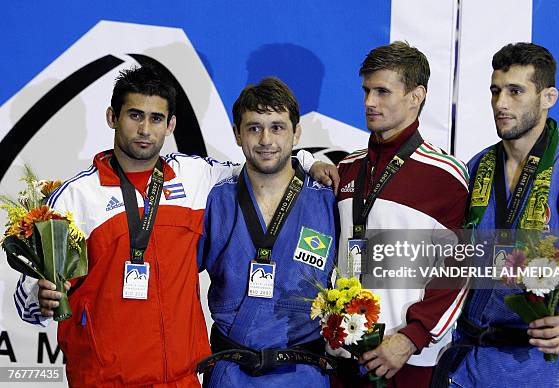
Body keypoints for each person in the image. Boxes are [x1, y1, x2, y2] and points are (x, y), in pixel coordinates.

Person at [13, 67, 337, 387]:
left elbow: (262, 162)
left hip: (180, 379)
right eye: (135, 115)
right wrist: (38, 296)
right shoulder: (75, 197)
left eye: (156, 119)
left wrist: (309, 162)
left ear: (170, 125)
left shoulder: (195, 176)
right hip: (104, 378)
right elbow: (31, 295)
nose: (144, 129)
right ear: (112, 117)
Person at [446, 43, 559, 387]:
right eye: (495, 91)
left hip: (537, 364)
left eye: (515, 91)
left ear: (548, 97)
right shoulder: (477, 167)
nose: (501, 104)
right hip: (469, 362)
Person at [334, 41, 469, 387]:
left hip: (408, 361)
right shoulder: (346, 170)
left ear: (416, 96)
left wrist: (412, 337)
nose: (368, 102)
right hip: (340, 358)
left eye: (382, 91)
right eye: (366, 90)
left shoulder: (446, 175)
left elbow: (462, 268)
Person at [196, 77, 337, 387]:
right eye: (254, 127)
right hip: (231, 372)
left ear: (296, 133)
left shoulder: (327, 200)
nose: (266, 140)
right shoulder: (214, 200)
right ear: (236, 134)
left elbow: (360, 281)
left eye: (277, 127)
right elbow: (175, 277)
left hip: (304, 373)